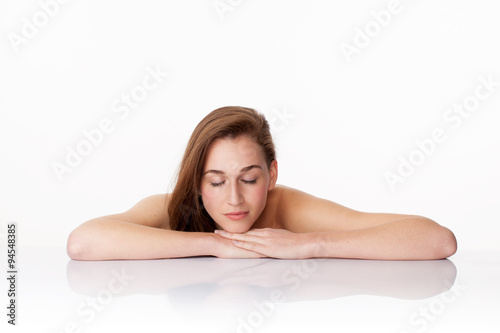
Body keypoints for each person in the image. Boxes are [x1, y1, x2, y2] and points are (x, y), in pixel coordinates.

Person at [67, 106, 457, 261]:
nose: (234, 198)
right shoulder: (171, 208)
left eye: (249, 179)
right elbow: (83, 242)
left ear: (272, 174)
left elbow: (438, 240)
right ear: (197, 183)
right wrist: (215, 245)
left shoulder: (287, 207)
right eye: (216, 182)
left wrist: (311, 243)